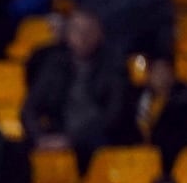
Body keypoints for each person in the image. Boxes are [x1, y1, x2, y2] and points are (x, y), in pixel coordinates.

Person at [21, 10, 133, 171]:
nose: (82, 37)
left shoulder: (115, 66)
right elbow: (30, 108)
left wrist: (71, 140)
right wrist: (40, 137)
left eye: (88, 31)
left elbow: (113, 115)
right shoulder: (54, 63)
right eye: (76, 30)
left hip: (98, 137)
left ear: (99, 34)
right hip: (59, 132)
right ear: (68, 34)